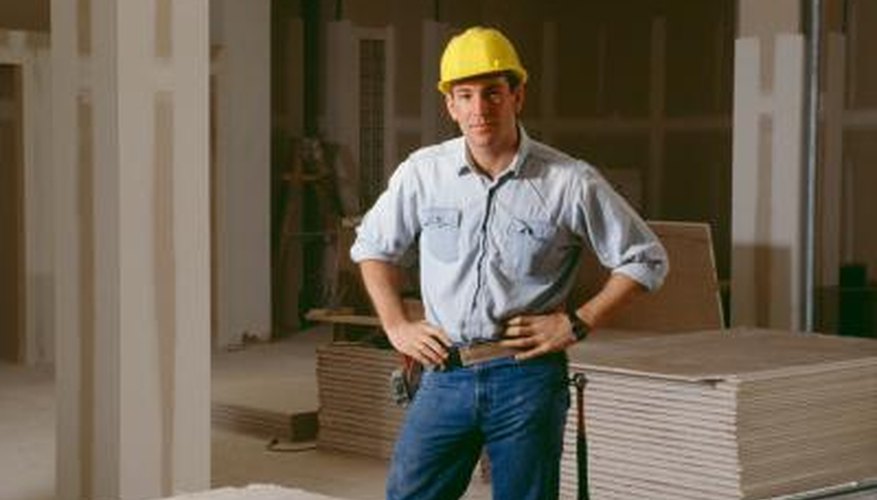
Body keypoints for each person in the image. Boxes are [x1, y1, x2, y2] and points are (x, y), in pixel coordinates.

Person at [350, 26, 668, 500]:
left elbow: (646, 259)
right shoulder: (423, 173)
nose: (480, 110)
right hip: (442, 375)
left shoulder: (568, 181)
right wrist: (396, 325)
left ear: (518, 96)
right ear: (450, 105)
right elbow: (371, 247)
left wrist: (578, 323)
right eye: (466, 95)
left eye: (493, 93)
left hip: (526, 379)